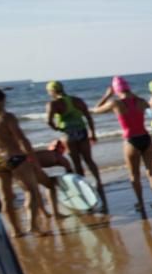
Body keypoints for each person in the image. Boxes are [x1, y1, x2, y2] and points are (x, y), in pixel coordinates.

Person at [94, 77, 152, 215]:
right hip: (145, 138)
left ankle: (141, 203)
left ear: (116, 89)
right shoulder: (141, 101)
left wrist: (107, 95)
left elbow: (95, 110)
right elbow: (149, 108)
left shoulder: (115, 103)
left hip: (131, 141)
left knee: (134, 175)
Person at [0, 88, 47, 236]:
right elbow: (21, 139)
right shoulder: (6, 117)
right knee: (31, 191)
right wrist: (33, 158)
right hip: (14, 157)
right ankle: (33, 226)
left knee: (5, 197)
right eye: (3, 100)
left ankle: (15, 231)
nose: (5, 103)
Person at [45, 80, 107, 211]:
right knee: (89, 159)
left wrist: (57, 128)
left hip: (68, 134)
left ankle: (83, 185)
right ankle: (98, 182)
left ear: (52, 91)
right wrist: (93, 133)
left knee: (76, 162)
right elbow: (88, 117)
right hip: (82, 131)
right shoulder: (77, 100)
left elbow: (48, 121)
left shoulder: (53, 104)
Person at [33, 140, 73, 218]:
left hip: (24, 164)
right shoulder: (60, 157)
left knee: (34, 190)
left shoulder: (46, 153)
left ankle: (44, 212)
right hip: (32, 165)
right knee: (50, 187)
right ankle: (55, 213)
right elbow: (70, 175)